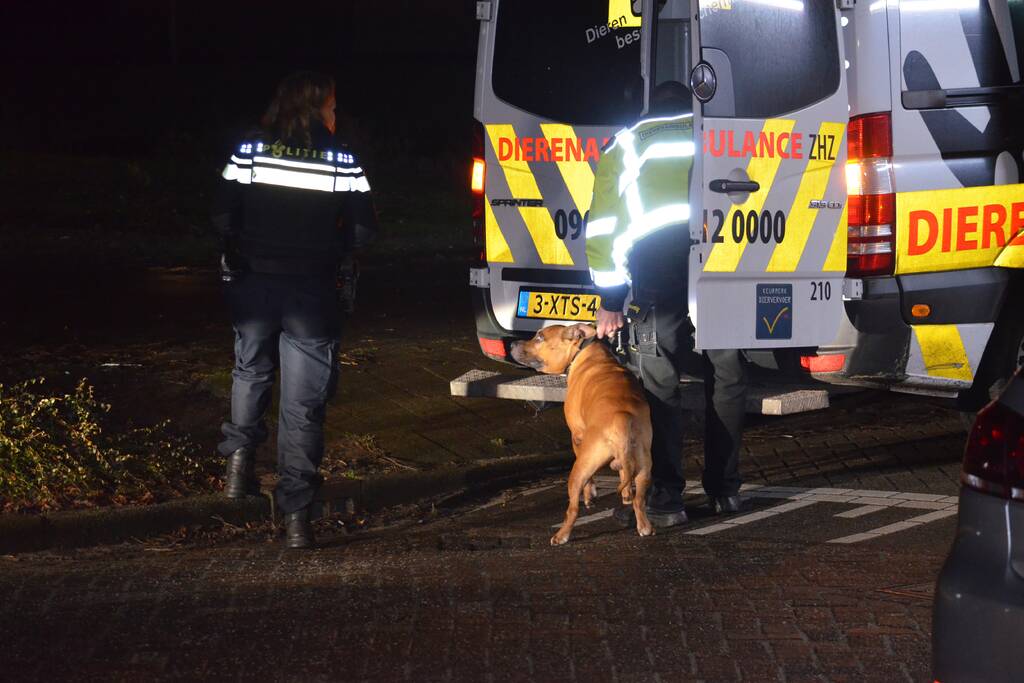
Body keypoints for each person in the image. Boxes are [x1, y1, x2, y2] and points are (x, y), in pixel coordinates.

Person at [211, 71, 378, 549]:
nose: (335, 113)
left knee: (250, 370)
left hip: (254, 285)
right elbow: (365, 231)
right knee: (303, 407)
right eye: (331, 105)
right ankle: (297, 520)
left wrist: (244, 241)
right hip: (312, 292)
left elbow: (221, 213)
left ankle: (239, 464)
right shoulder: (340, 158)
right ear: (315, 108)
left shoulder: (251, 149)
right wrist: (332, 247)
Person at [585, 80, 747, 528]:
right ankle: (726, 491)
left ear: (649, 110)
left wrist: (612, 300)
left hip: (658, 272)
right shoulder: (721, 133)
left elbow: (602, 230)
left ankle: (668, 499)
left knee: (661, 387)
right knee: (728, 376)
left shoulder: (626, 142)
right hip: (720, 263)